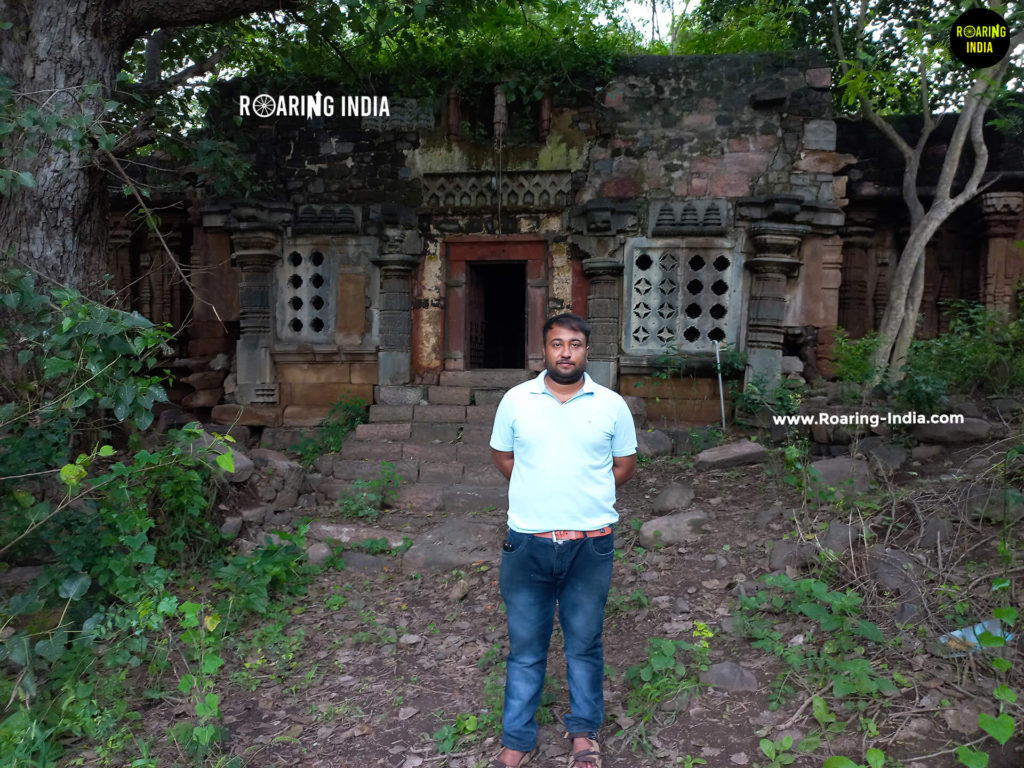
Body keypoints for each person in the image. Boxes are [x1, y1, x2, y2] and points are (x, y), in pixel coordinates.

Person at [488, 313, 638, 768]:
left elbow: (624, 466)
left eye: (574, 344)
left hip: (590, 545)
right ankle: (517, 740)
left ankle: (583, 734)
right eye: (557, 344)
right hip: (528, 543)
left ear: (586, 351)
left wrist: (581, 497)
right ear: (545, 350)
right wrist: (541, 491)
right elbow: (503, 457)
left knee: (584, 644)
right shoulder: (516, 401)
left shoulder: (612, 405)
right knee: (526, 649)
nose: (566, 352)